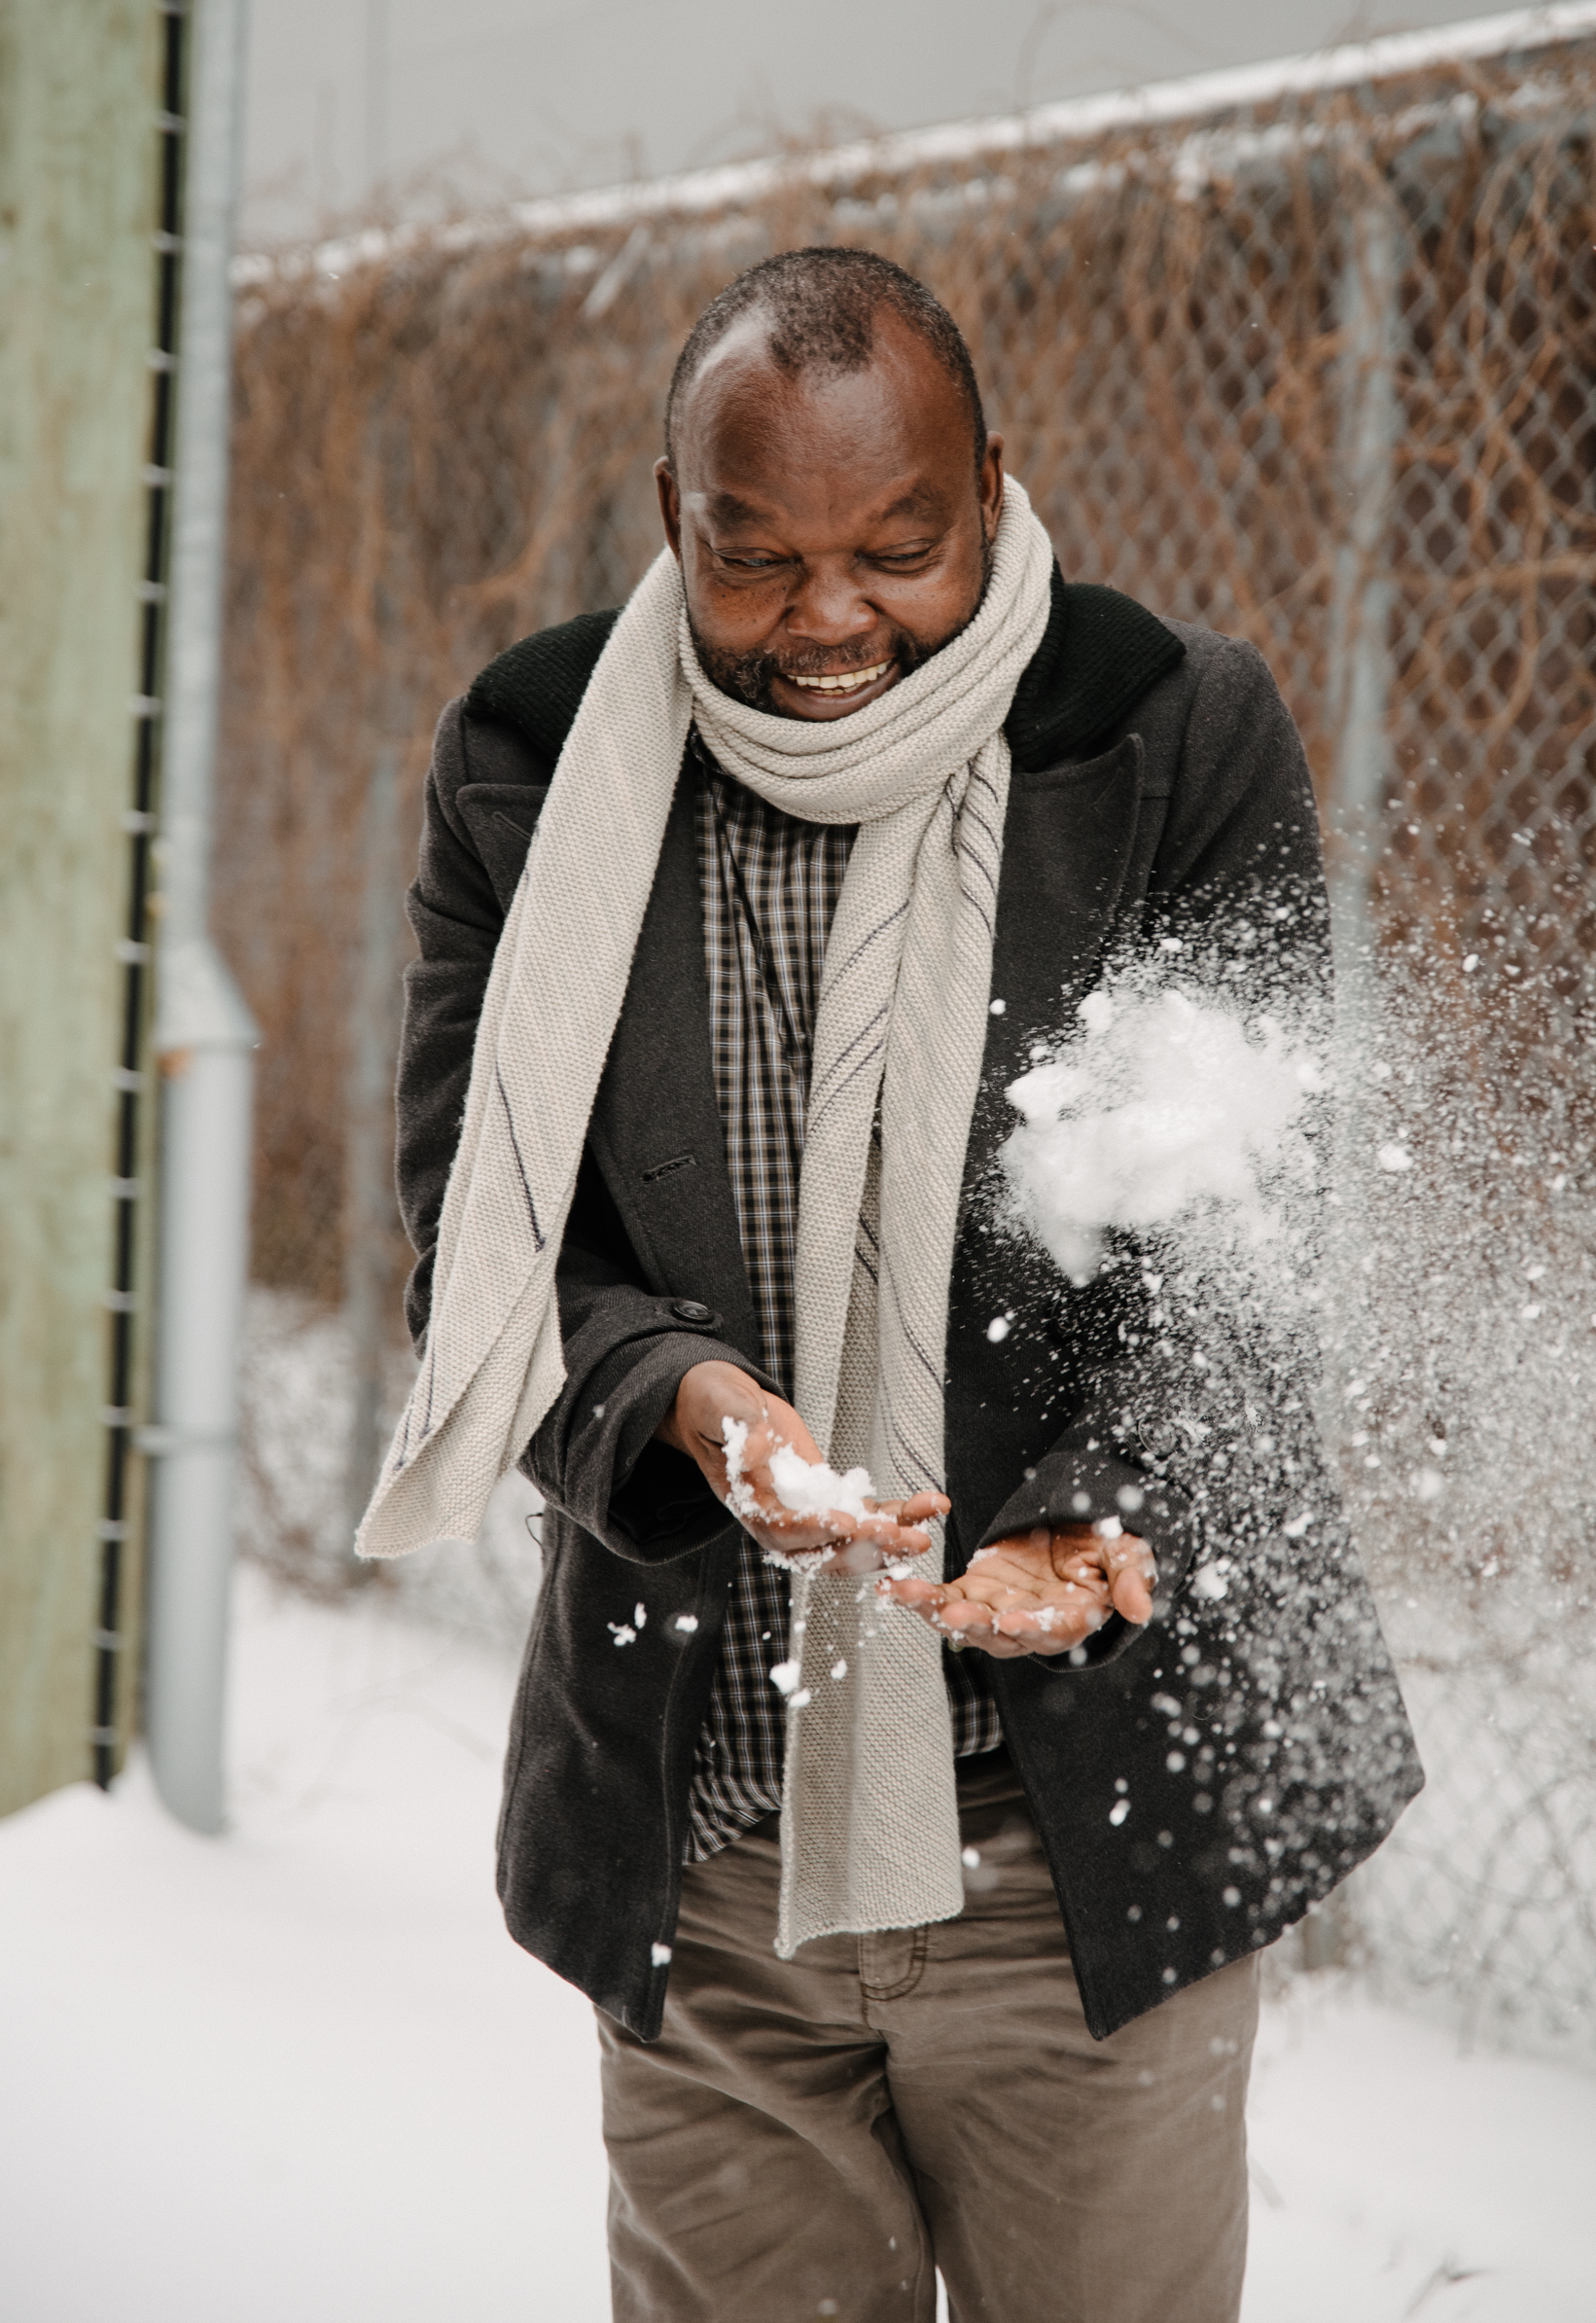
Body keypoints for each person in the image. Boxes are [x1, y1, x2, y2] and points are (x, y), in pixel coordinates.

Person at [360, 247, 1421, 2323]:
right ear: (678, 519)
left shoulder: (1160, 731)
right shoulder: (534, 760)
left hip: (1082, 1839)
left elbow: (1240, 1225)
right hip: (711, 1846)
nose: (830, 618)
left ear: (992, 488)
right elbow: (479, 1236)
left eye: (896, 548)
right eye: (758, 559)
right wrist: (683, 1400)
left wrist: (1085, 1516)